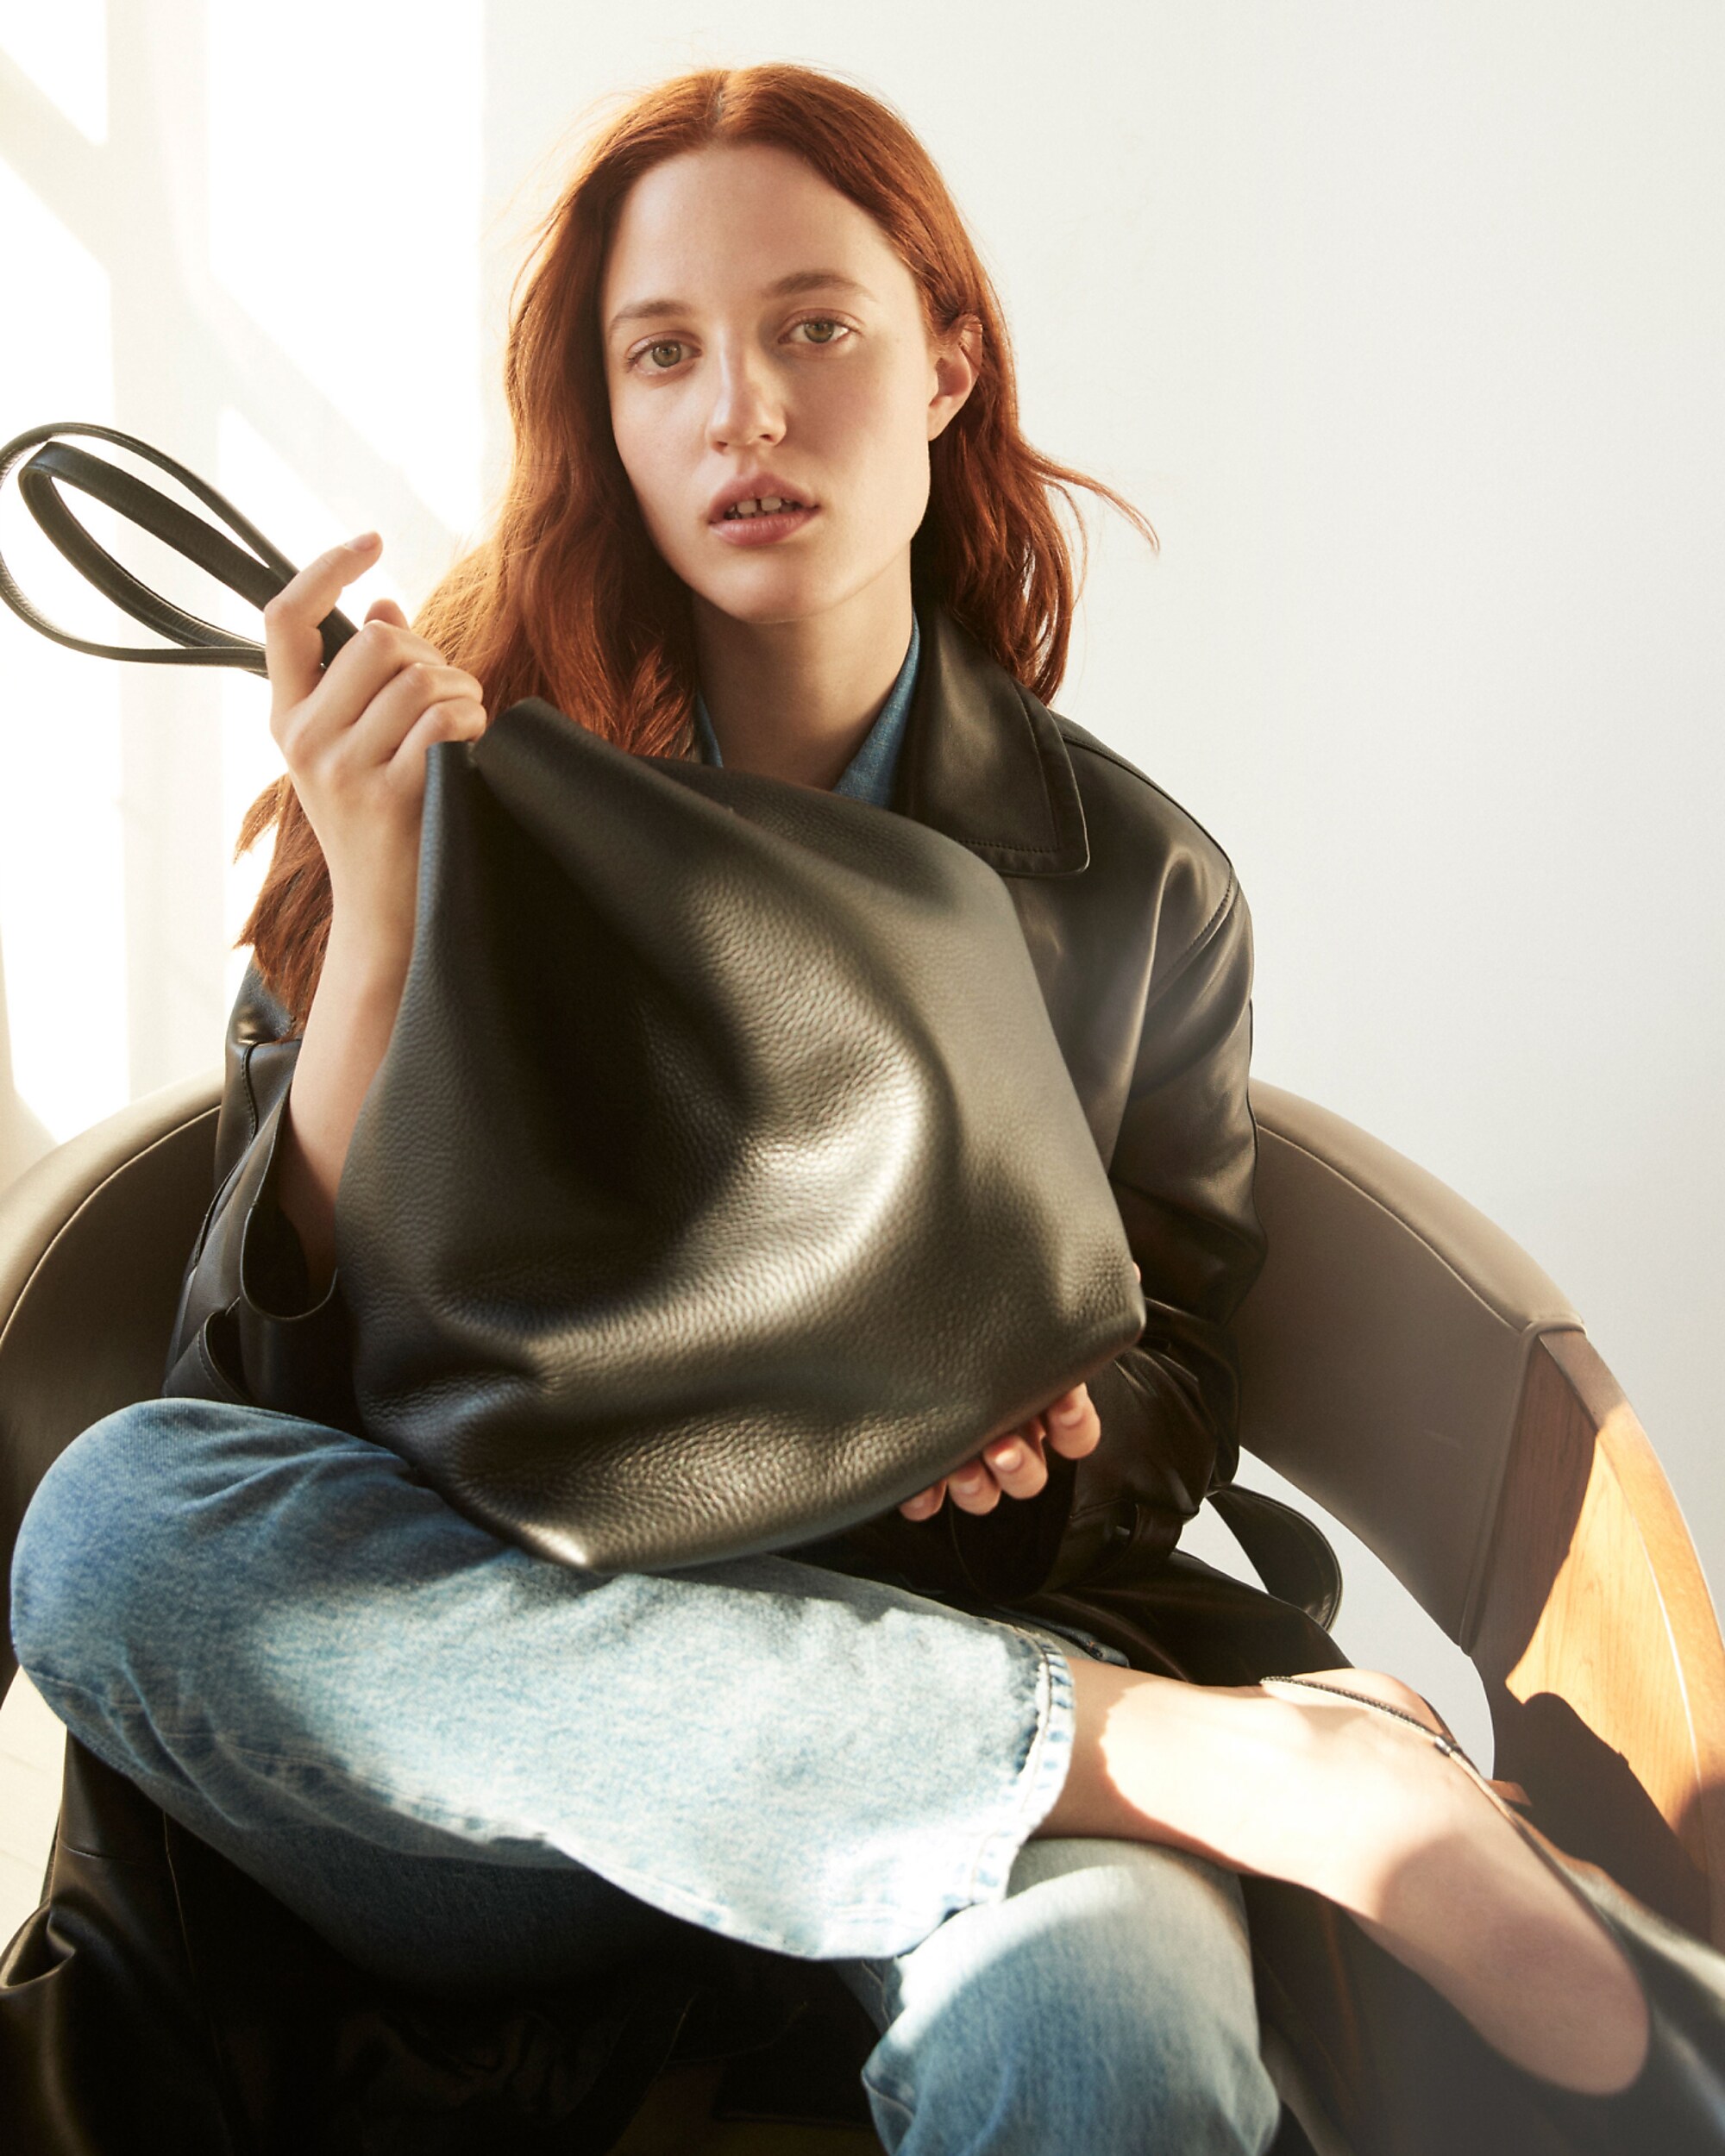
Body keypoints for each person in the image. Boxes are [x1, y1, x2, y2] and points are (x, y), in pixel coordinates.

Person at [9, 59, 1653, 2155]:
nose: (743, 413)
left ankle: (1090, 1764)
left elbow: (1178, 1375)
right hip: (510, 1774)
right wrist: (392, 904)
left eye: (815, 327)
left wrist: (1047, 1429)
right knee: (112, 1527)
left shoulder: (1128, 884)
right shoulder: (434, 772)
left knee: (1112, 2013)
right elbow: (250, 1398)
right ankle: (1195, 1762)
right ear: (599, 412)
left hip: (953, 1668)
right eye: (664, 351)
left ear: (948, 356)